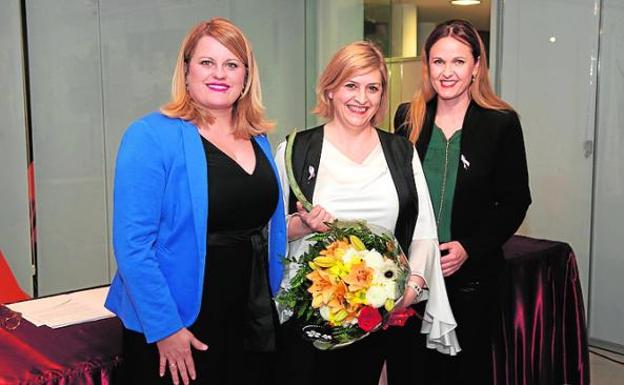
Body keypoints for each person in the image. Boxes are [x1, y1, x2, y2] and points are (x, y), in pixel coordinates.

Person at [105, 18, 287, 385]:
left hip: (248, 319)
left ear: (246, 76)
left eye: (232, 64)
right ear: (186, 70)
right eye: (207, 62)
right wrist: (165, 328)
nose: (219, 73)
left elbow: (248, 222)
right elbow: (133, 245)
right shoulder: (150, 136)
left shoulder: (258, 139)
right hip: (179, 323)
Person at [273, 41, 459, 385]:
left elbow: (422, 231)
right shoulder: (296, 150)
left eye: (372, 88)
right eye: (351, 85)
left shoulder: (400, 152)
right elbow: (268, 234)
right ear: (330, 89)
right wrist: (300, 225)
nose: (362, 98)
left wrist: (411, 288)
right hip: (311, 321)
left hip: (381, 316)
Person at [394, 19, 531, 385]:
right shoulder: (408, 118)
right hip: (413, 277)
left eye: (458, 61)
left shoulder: (500, 123)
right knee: (411, 369)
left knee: (463, 373)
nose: (447, 72)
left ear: (476, 67)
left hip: (471, 280)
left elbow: (516, 201)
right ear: (427, 66)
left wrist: (470, 247)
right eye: (439, 62)